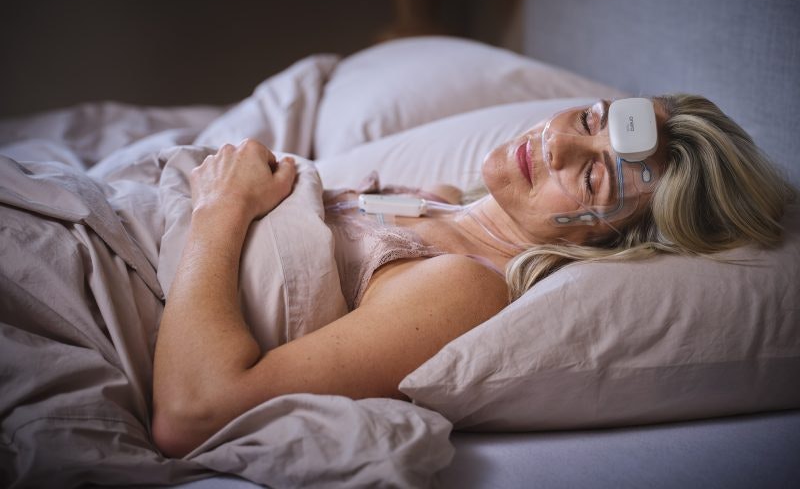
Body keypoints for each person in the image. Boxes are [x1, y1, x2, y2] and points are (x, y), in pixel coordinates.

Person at [151, 94, 794, 457]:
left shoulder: (463, 286)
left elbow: (195, 412)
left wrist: (221, 209)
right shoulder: (433, 203)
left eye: (594, 176)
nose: (558, 144)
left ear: (604, 235)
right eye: (591, 118)